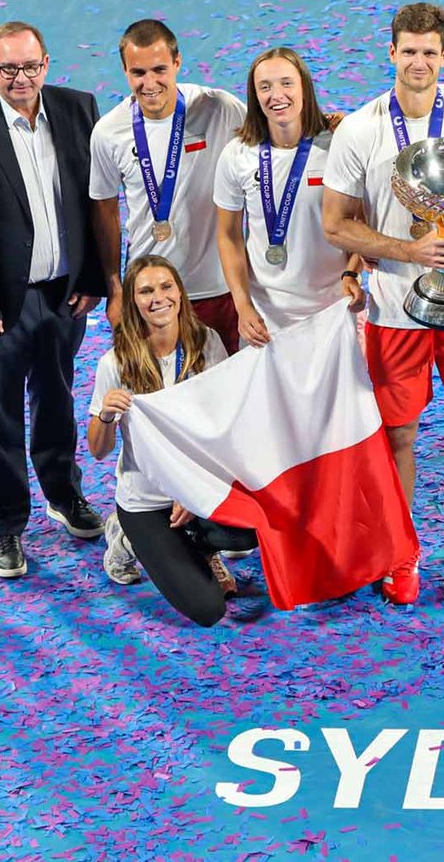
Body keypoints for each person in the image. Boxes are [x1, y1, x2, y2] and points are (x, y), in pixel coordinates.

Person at [320, 2, 444, 605]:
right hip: (395, 307)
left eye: (429, 51)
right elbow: (336, 224)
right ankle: (402, 549)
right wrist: (407, 250)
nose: (418, 61)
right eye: (409, 51)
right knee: (399, 434)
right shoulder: (360, 129)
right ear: (391, 52)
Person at [0, 21, 107, 579]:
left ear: (46, 64)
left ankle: (64, 494)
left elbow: (96, 200)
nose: (21, 78)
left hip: (63, 296)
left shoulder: (79, 110)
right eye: (8, 68)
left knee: (57, 399)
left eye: (30, 66)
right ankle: (5, 525)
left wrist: (93, 278)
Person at [87, 255, 257, 624]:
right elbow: (98, 451)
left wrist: (193, 492)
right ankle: (126, 537)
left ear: (180, 292)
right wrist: (106, 416)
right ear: (133, 301)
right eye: (146, 291)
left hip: (197, 487)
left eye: (166, 287)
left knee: (248, 532)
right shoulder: (114, 363)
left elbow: (223, 426)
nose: (158, 298)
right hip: (146, 502)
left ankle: (201, 545)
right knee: (208, 610)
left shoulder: (206, 343)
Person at [90, 19, 247, 353]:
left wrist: (326, 126)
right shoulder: (109, 132)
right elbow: (105, 210)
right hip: (150, 296)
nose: (149, 83)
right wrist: (115, 288)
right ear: (125, 71)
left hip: (218, 289)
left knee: (230, 385)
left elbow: (274, 138)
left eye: (159, 70)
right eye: (138, 73)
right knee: (154, 385)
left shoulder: (219, 109)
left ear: (177, 62)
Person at [215, 47, 364, 345]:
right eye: (265, 87)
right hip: (264, 319)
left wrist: (352, 274)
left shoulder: (338, 145)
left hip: (334, 309)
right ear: (254, 96)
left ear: (304, 87)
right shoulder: (237, 155)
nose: (276, 95)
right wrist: (242, 306)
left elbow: (362, 222)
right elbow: (229, 236)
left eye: (286, 83)